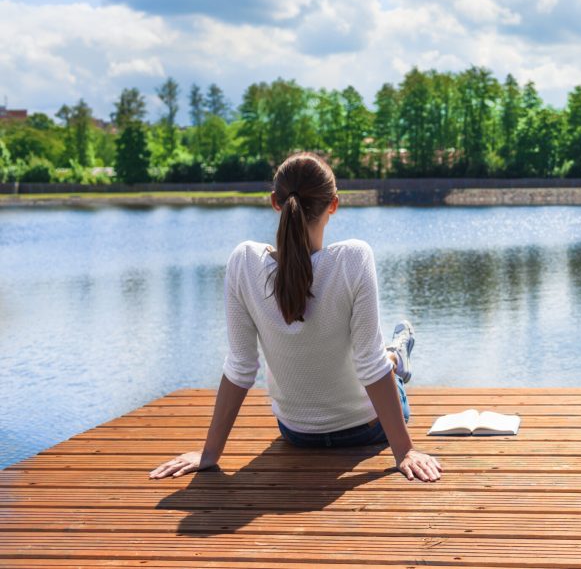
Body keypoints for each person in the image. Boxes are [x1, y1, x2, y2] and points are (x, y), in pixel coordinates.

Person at [149, 152, 442, 482]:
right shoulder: (354, 258)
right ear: (333, 204)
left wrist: (210, 454)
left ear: (275, 202)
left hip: (298, 433)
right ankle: (397, 358)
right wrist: (404, 451)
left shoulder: (243, 262)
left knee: (376, 359)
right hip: (365, 430)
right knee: (385, 365)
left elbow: (241, 366)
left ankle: (394, 355)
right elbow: (369, 366)